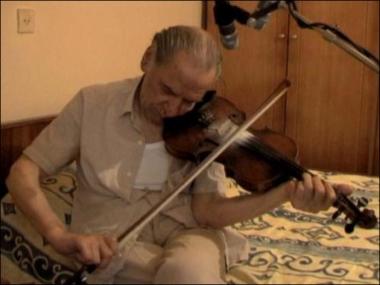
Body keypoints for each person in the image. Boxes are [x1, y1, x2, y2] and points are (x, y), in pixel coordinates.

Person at [6, 25, 352, 284]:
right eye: (168, 90)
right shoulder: (92, 103)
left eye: (191, 99)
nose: (175, 109)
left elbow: (209, 212)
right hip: (111, 241)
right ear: (147, 59)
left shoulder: (207, 124)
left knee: (187, 272)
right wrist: (58, 235)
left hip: (187, 231)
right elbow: (23, 172)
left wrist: (284, 193)